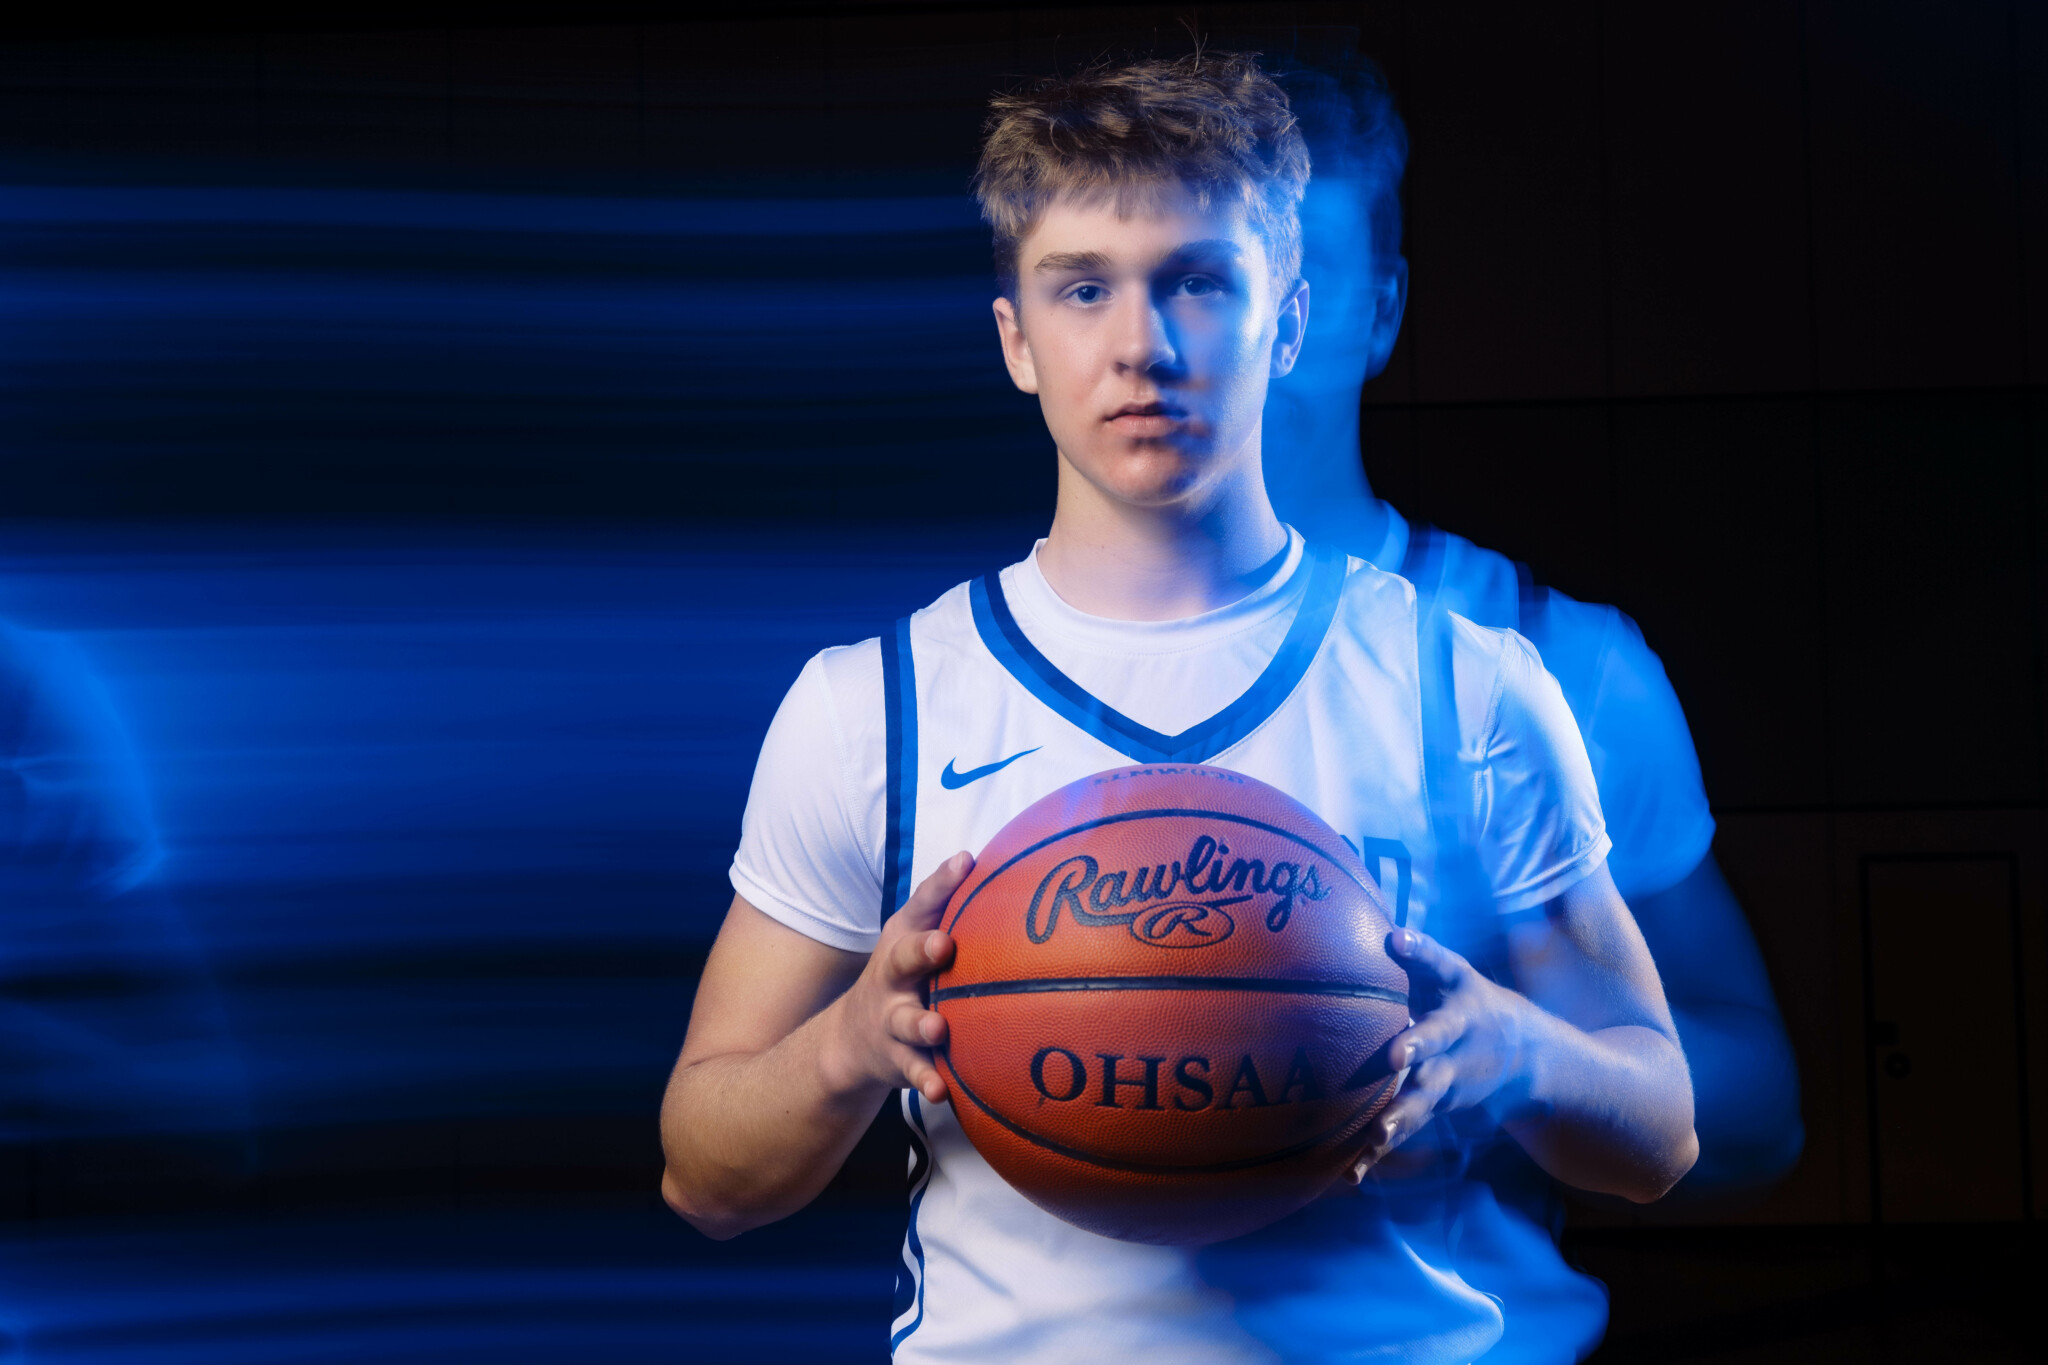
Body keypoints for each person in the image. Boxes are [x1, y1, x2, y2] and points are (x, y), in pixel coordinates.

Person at [660, 54, 1697, 1364]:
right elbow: (703, 1172)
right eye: (1083, 287)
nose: (1143, 343)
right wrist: (849, 1045)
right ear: (1015, 340)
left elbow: (1659, 1132)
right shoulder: (875, 705)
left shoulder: (1468, 685)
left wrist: (1514, 1048)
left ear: (1288, 320)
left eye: (1198, 280)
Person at [1259, 50, 1803, 1362]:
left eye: (1310, 271)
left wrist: (1521, 1056)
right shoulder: (988, 675)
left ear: (1384, 312)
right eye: (1218, 267)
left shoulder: (1558, 662)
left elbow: (1752, 1100)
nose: (1268, 315)